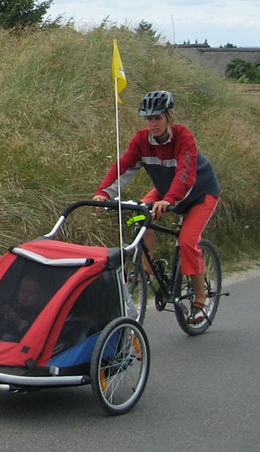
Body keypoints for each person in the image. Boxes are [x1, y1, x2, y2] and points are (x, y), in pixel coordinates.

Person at [92, 90, 221, 324]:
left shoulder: (183, 138)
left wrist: (169, 200)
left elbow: (185, 173)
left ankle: (200, 299)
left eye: (158, 118)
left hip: (200, 193)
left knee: (187, 241)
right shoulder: (142, 140)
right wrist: (104, 193)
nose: (153, 124)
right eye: (149, 119)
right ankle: (147, 268)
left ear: (169, 117)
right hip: (166, 192)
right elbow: (123, 166)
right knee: (139, 218)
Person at [0, 275, 46, 341]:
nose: (25, 295)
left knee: (7, 337)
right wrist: (0, 315)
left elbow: (31, 333)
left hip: (18, 342)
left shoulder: (37, 313)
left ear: (39, 297)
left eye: (30, 293)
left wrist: (18, 321)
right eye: (22, 291)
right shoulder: (13, 306)